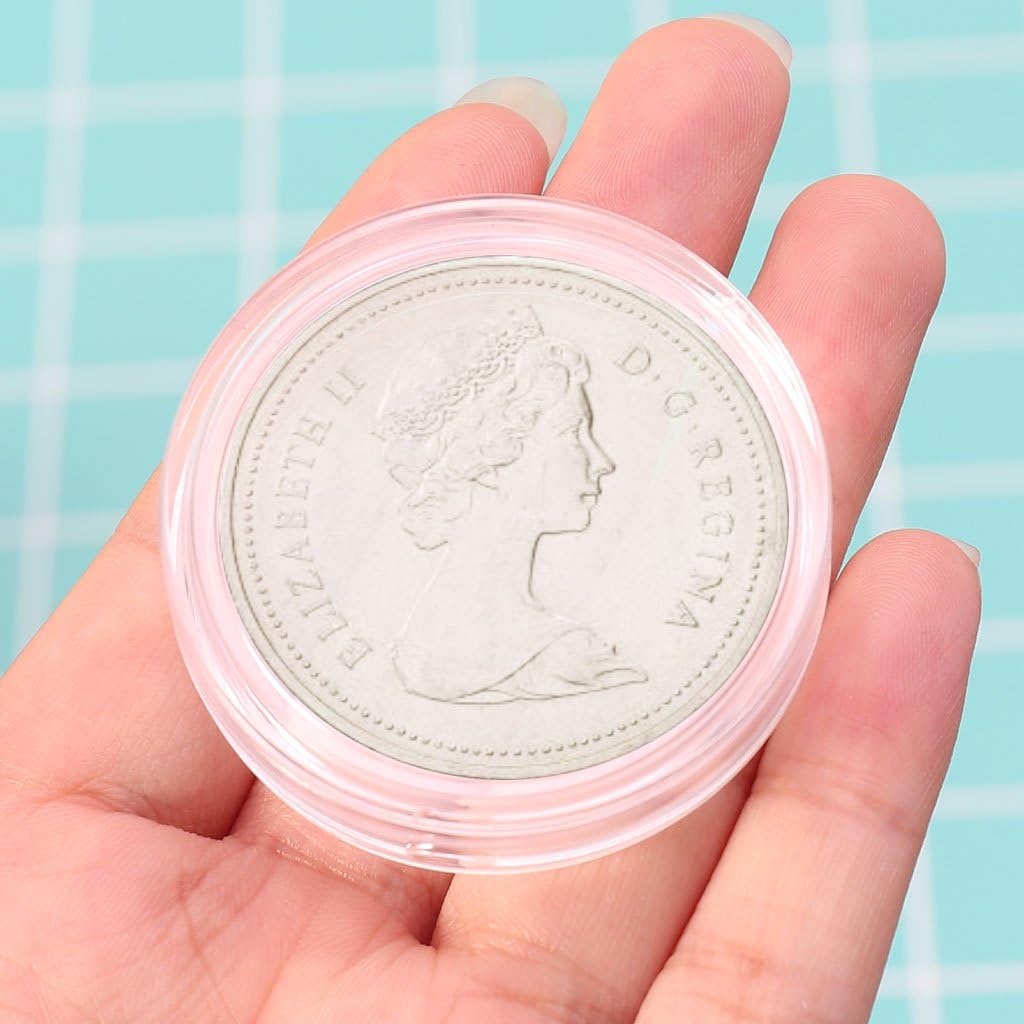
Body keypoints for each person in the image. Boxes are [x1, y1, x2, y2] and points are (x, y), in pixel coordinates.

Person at [0, 14, 982, 1022]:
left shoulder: (566, 659)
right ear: (493, 454)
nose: (605, 460)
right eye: (575, 431)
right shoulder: (541, 667)